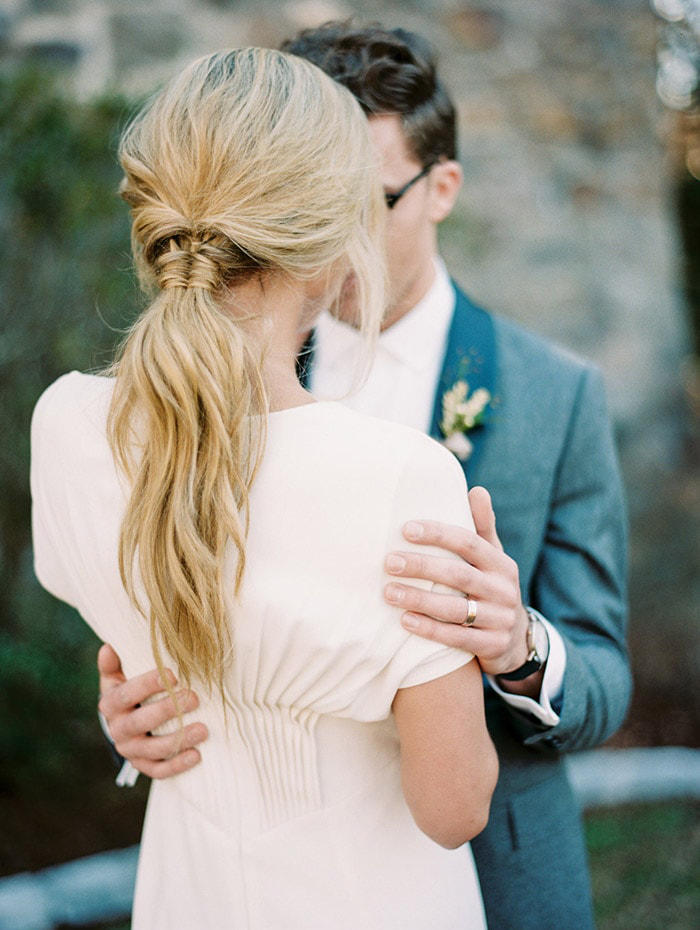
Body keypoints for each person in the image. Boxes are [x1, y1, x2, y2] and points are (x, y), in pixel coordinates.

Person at [98, 23, 632, 930]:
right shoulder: (201, 385)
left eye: (365, 200)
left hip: (490, 864)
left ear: (442, 188)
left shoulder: (558, 395)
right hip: (270, 881)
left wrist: (520, 644)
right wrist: (134, 707)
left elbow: (607, 675)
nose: (335, 238)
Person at [31, 47, 499, 929]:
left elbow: (141, 646)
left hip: (186, 899)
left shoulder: (65, 426)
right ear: (328, 241)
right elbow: (453, 808)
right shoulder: (402, 477)